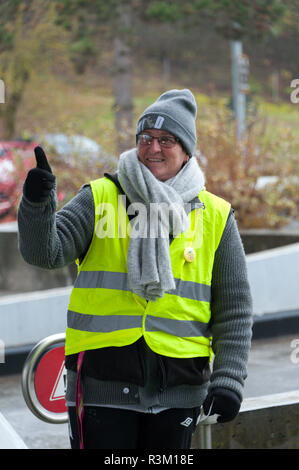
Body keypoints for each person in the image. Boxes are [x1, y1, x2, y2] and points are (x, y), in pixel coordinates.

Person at [18, 89, 252, 450]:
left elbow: (234, 310)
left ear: (187, 149)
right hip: (101, 384)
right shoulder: (100, 196)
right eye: (145, 138)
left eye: (166, 140)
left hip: (180, 389)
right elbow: (44, 253)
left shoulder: (216, 215)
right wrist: (37, 203)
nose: (153, 148)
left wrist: (229, 378)